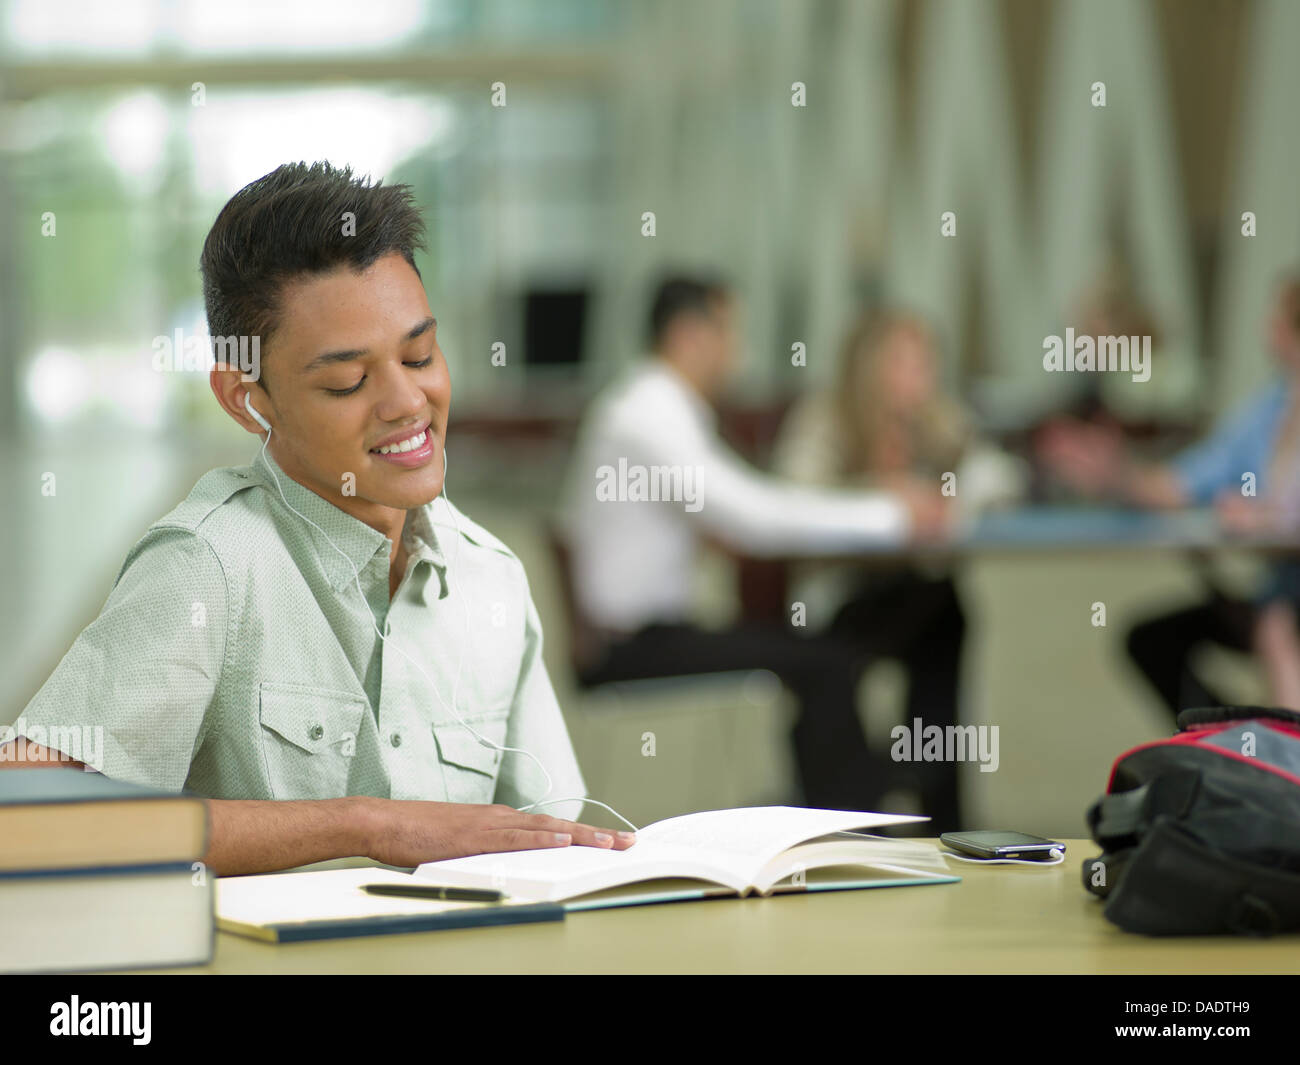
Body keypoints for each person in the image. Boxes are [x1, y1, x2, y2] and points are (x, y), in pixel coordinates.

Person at [0, 161, 636, 874]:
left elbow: (549, 837)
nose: (406, 402)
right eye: (347, 380)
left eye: (420, 353)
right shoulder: (209, 567)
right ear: (248, 399)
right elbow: (25, 813)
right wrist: (360, 824)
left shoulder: (492, 577)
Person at [561, 276, 952, 814]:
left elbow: (741, 518)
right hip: (634, 644)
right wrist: (893, 512)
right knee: (826, 662)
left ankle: (860, 806)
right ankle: (855, 825)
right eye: (731, 334)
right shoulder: (648, 416)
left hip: (646, 631)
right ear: (689, 335)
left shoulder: (650, 408)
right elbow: (754, 519)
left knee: (860, 641)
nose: (739, 353)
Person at [1040, 275, 1300, 718]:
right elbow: (1182, 483)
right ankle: (1236, 747)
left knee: (1274, 624)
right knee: (1155, 641)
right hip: (1275, 595)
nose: (1265, 328)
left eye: (1276, 319)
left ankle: (1278, 758)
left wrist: (1269, 517)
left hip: (1282, 607)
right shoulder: (1271, 408)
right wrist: (1115, 475)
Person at [771, 310, 977, 830]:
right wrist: (885, 493)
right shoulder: (825, 416)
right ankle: (908, 790)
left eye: (928, 362)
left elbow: (994, 472)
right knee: (942, 609)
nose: (922, 375)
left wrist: (945, 486)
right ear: (870, 367)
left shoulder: (932, 421)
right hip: (832, 598)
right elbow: (794, 501)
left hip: (902, 598)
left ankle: (915, 780)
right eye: (907, 362)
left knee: (945, 610)